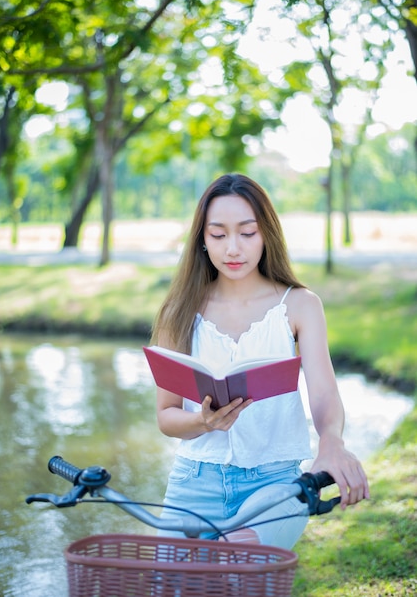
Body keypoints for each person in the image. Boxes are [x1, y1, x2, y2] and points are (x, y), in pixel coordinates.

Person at [151, 173, 369, 549]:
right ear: (202, 240)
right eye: (218, 235)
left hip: (273, 484)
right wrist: (202, 422)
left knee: (236, 567)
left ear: (266, 234)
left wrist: (331, 441)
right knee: (169, 586)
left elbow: (323, 392)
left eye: (247, 233)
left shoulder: (300, 305)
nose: (233, 248)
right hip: (193, 483)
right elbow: (166, 415)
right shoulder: (179, 312)